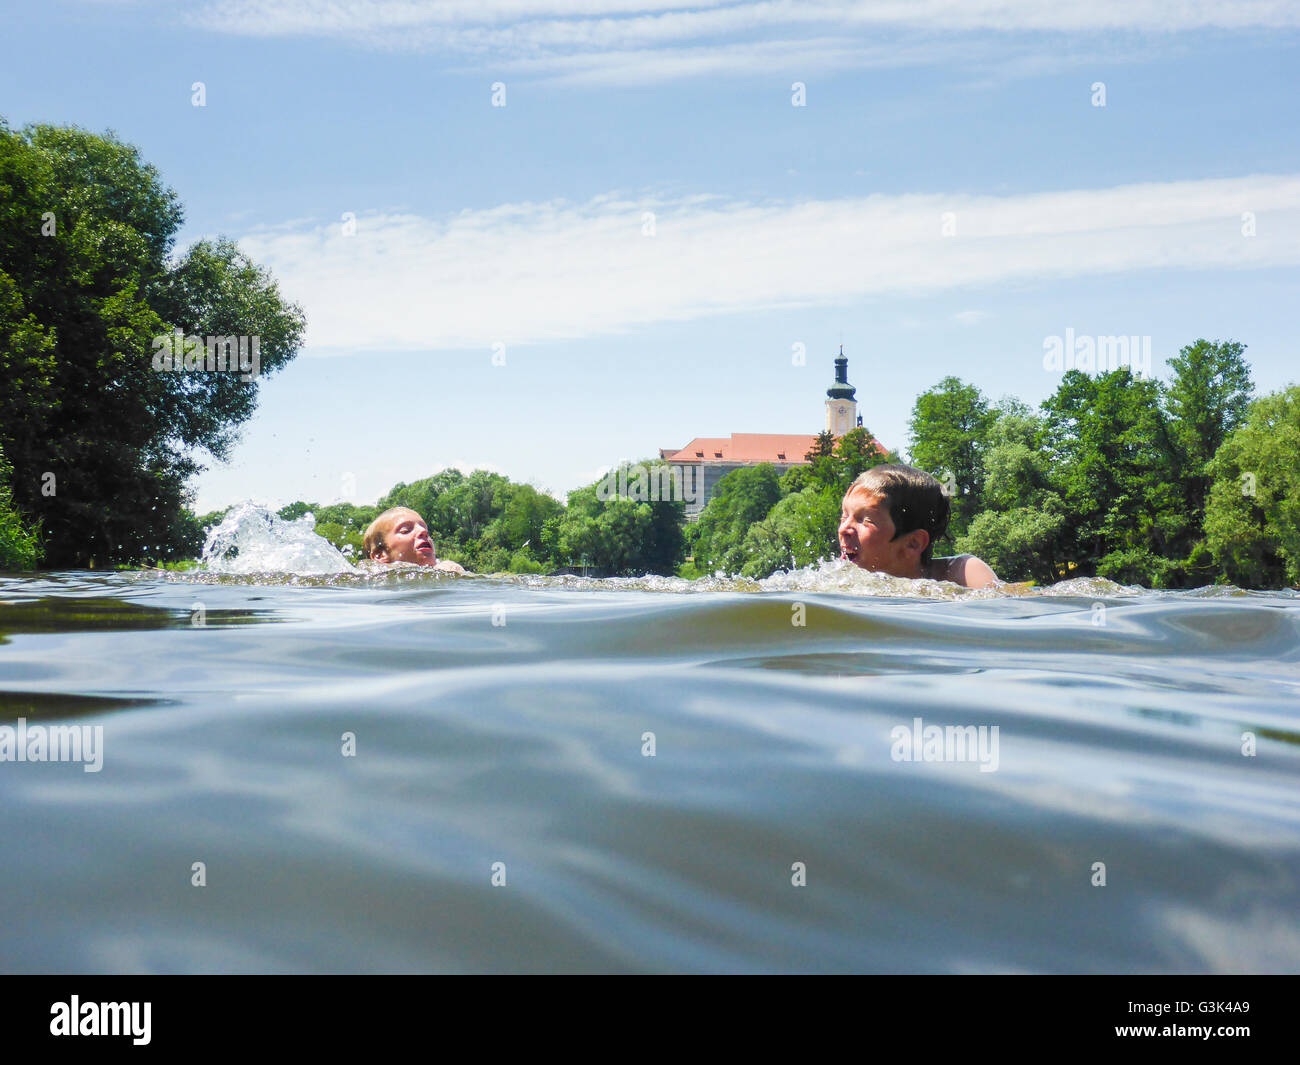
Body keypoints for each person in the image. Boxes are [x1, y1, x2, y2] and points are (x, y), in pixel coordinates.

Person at [838, 465, 998, 589]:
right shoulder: (843, 584)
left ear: (913, 543)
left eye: (865, 520)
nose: (844, 529)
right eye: (844, 516)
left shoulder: (960, 574)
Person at [362, 507, 466, 572]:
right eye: (405, 530)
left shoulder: (448, 570)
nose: (423, 532)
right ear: (380, 555)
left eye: (426, 530)